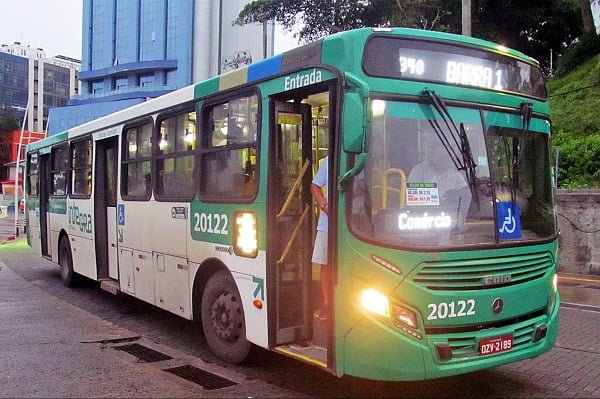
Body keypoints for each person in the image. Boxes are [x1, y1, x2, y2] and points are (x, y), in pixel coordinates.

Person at [408, 144, 472, 230]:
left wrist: (455, 196)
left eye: (445, 156)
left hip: (447, 221)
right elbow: (412, 197)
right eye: (439, 155)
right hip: (419, 221)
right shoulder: (418, 170)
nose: (442, 159)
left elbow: (466, 194)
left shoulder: (456, 175)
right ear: (432, 155)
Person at [311, 156, 330, 319]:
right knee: (325, 264)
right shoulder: (328, 162)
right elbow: (314, 187)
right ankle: (327, 303)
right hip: (327, 224)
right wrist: (324, 205)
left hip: (354, 222)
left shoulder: (361, 163)